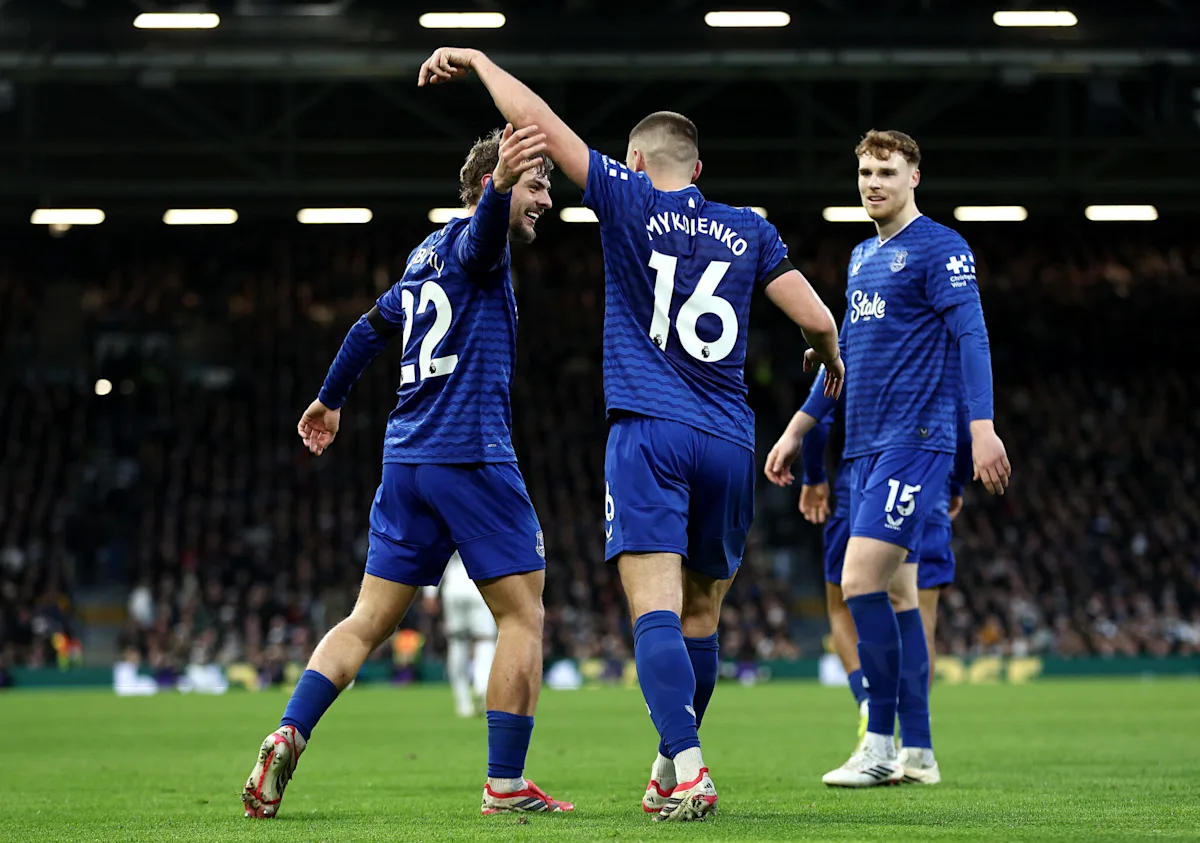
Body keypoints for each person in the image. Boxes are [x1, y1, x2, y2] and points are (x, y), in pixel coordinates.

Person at [418, 46, 843, 821]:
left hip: (650, 431)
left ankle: (691, 770)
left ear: (637, 160)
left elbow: (537, 122)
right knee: (702, 613)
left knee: (654, 608)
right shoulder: (749, 228)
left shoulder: (627, 196)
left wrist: (479, 61)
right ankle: (666, 767)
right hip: (728, 439)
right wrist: (827, 354)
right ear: (699, 167)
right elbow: (817, 317)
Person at [240, 124, 574, 818]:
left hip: (406, 461)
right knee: (522, 615)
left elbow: (367, 329)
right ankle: (505, 783)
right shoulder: (480, 243)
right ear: (492, 184)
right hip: (469, 454)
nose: (547, 200)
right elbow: (486, 232)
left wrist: (330, 399)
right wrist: (502, 188)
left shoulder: (425, 254)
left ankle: (289, 730)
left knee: (366, 619)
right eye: (537, 185)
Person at [766, 128, 1010, 787]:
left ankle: (878, 745)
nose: (873, 183)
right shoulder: (860, 258)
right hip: (864, 449)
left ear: (914, 178)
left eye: (887, 172)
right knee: (899, 593)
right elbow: (843, 357)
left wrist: (982, 428)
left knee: (858, 584)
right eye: (866, 173)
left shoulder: (941, 247)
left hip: (915, 442)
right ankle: (920, 751)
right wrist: (798, 428)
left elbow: (972, 334)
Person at [767, 374, 973, 784]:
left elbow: (824, 409)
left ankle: (872, 711)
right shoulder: (939, 348)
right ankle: (916, 741)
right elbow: (964, 410)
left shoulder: (858, 338)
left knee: (846, 600)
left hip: (865, 482)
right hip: (931, 475)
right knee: (917, 610)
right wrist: (957, 480)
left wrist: (813, 474)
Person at [423, 551, 497, 718]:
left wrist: (430, 593)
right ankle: (481, 686)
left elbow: (435, 557)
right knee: (485, 640)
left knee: (457, 643)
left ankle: (463, 703)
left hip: (453, 589)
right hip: (479, 587)